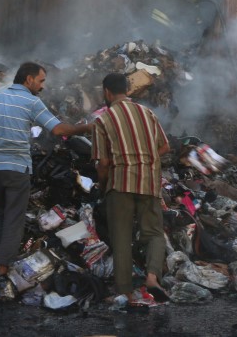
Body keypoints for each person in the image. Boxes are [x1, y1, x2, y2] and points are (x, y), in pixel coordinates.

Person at [0, 62, 90, 276]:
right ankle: (2, 268)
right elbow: (59, 129)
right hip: (17, 169)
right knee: (14, 218)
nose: (42, 86)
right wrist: (87, 127)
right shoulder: (32, 102)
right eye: (41, 81)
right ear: (29, 79)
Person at [92, 72, 171, 303]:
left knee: (122, 237)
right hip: (149, 182)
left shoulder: (103, 120)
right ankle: (153, 277)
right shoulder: (148, 113)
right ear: (127, 90)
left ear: (107, 92)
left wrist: (103, 186)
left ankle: (125, 291)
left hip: (120, 183)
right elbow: (165, 146)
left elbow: (103, 163)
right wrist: (146, 160)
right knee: (155, 232)